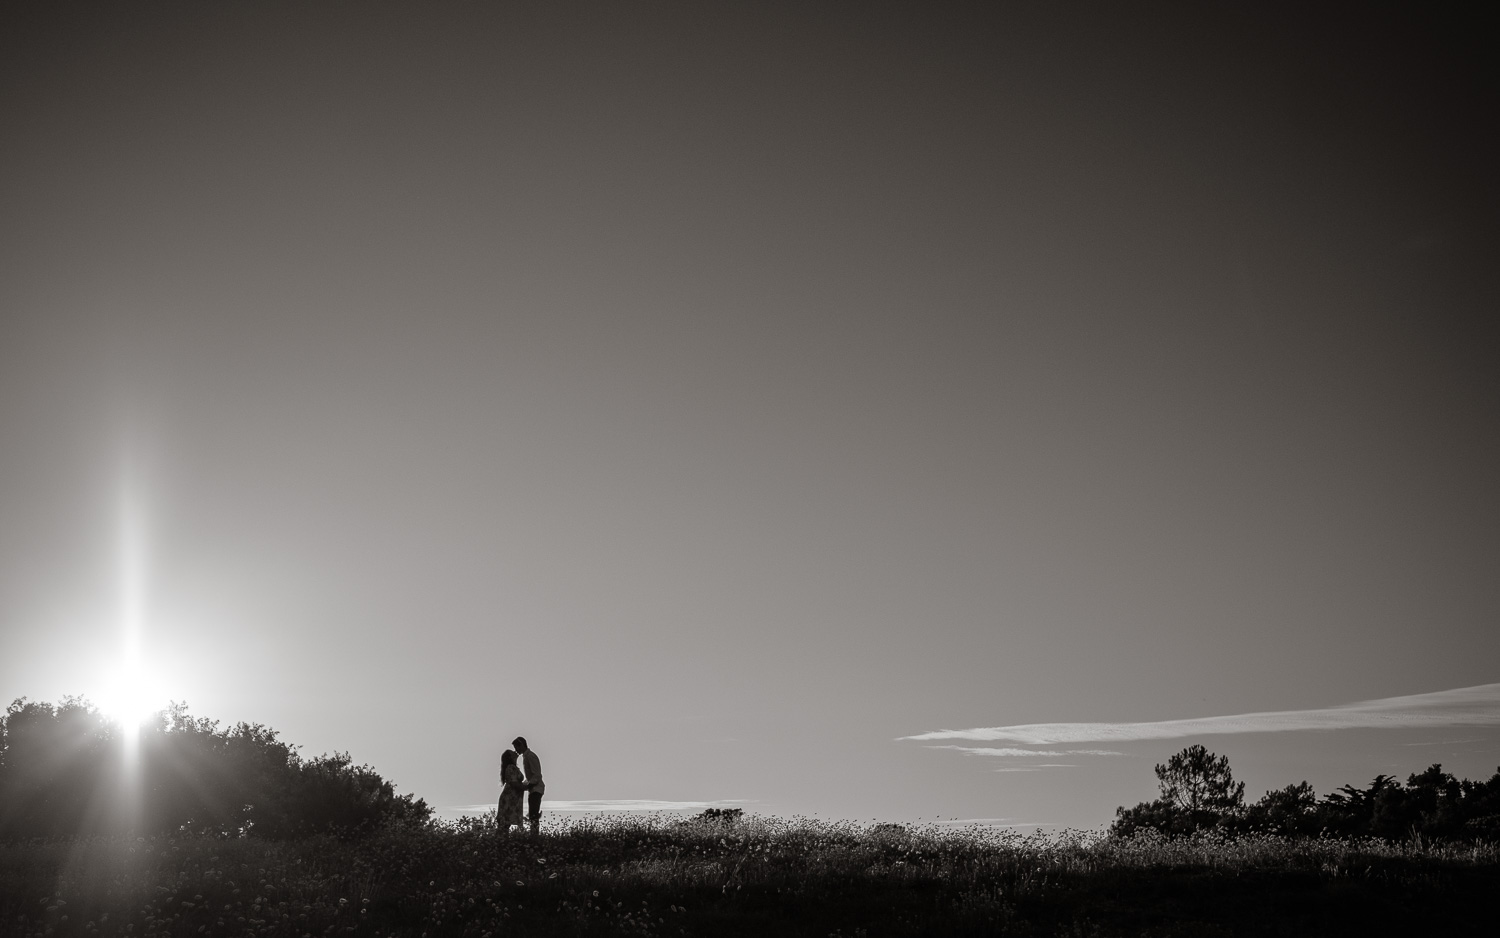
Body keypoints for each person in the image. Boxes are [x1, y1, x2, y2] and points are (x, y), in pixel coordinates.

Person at [513, 736, 543, 836]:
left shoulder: (530, 756)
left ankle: (535, 835)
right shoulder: (526, 757)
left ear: (521, 745)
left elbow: (537, 775)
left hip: (536, 788)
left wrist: (528, 785)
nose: (516, 750)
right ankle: (534, 834)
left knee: (533, 814)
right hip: (533, 788)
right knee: (532, 814)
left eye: (516, 747)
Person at [496, 749, 525, 834]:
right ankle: (499, 842)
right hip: (509, 799)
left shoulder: (512, 767)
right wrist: (527, 786)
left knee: (505, 824)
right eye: (512, 752)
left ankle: (501, 842)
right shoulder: (510, 768)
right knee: (504, 824)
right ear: (510, 757)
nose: (515, 752)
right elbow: (514, 783)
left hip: (511, 798)